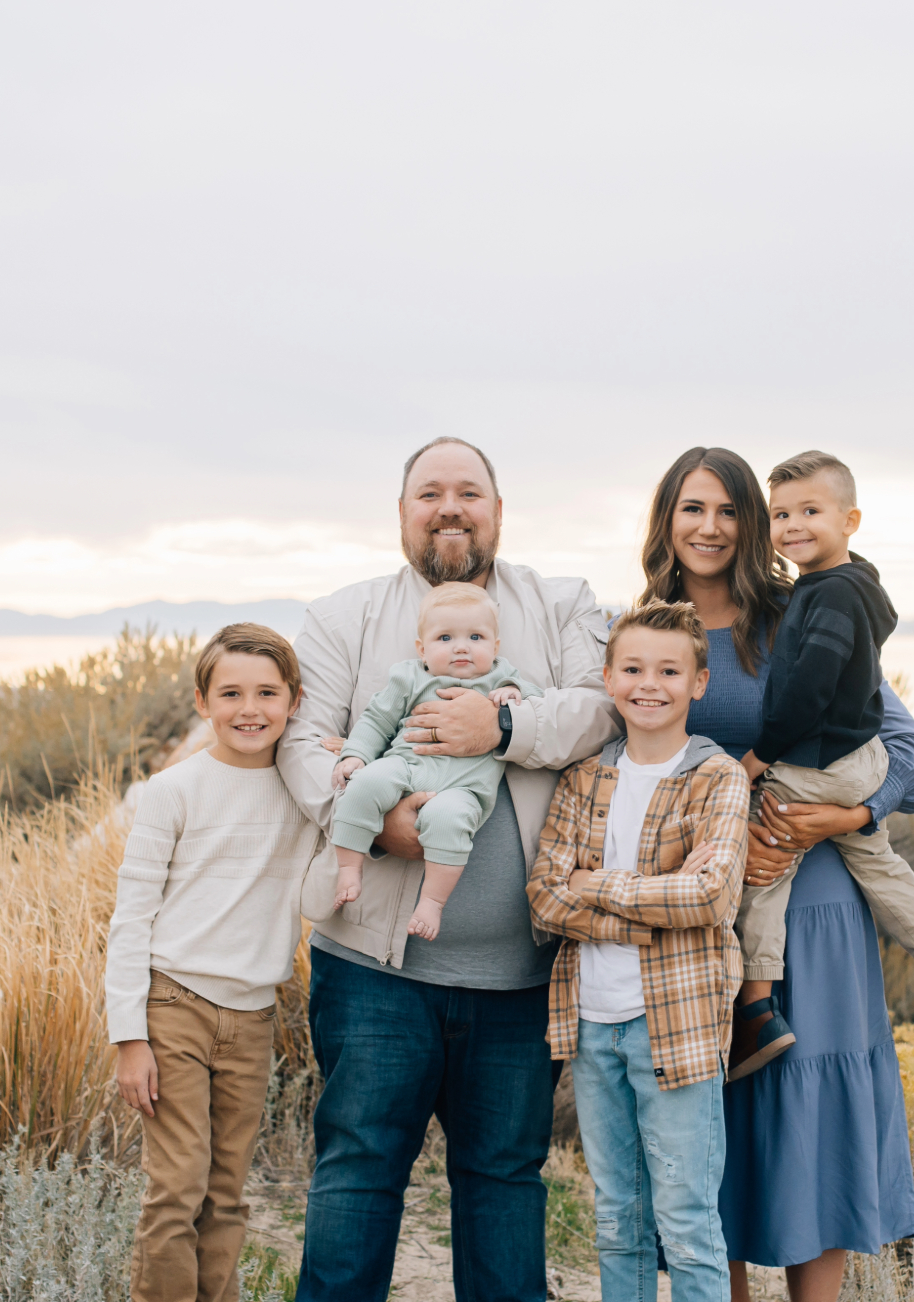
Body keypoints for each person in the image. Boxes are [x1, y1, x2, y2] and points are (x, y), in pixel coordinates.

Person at [276, 436, 621, 1302]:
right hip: (374, 968)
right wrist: (379, 820)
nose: (450, 507)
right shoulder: (342, 617)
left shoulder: (559, 602)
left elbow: (598, 709)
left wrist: (497, 730)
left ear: (499, 510)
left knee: (504, 1181)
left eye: (470, 491)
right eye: (429, 492)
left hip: (520, 972)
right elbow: (298, 738)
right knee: (358, 1169)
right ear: (402, 514)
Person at [636, 446, 914, 1302]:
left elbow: (912, 756)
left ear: (757, 523)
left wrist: (837, 818)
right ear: (667, 521)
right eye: (693, 508)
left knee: (814, 1109)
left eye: (729, 510)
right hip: (695, 904)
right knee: (708, 1118)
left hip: (815, 903)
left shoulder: (807, 615)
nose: (711, 527)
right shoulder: (645, 631)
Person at [729, 450, 914, 1078]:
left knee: (765, 871)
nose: (792, 526)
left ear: (851, 519)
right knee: (881, 865)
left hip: (814, 761)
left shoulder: (829, 598)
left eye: (810, 511)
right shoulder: (852, 585)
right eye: (781, 514)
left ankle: (756, 1009)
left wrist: (755, 762)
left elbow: (806, 694)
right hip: (858, 759)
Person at [525, 598, 750, 1302]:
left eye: (668, 670)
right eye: (632, 668)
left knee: (686, 1223)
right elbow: (544, 898)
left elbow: (711, 896)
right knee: (617, 1217)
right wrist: (654, 899)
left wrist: (602, 888)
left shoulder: (717, 778)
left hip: (676, 1028)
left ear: (698, 682)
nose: (648, 684)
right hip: (593, 1025)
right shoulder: (584, 779)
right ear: (608, 676)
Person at [106, 624, 332, 1302]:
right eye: (230, 692)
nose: (249, 708)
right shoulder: (172, 791)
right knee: (176, 1188)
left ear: (294, 700)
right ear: (203, 701)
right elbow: (132, 917)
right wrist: (130, 1037)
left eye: (267, 692)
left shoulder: (304, 792)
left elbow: (329, 870)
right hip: (173, 1006)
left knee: (227, 1191)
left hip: (253, 1014)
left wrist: (342, 760)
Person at [329, 582, 541, 938]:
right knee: (365, 784)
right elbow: (377, 720)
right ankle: (350, 865)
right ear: (422, 649)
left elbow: (537, 705)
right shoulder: (410, 676)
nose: (461, 647)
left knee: (450, 821)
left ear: (495, 646)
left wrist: (517, 695)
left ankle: (432, 902)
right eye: (445, 638)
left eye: (476, 637)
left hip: (465, 788)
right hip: (406, 766)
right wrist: (355, 755)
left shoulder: (503, 678)